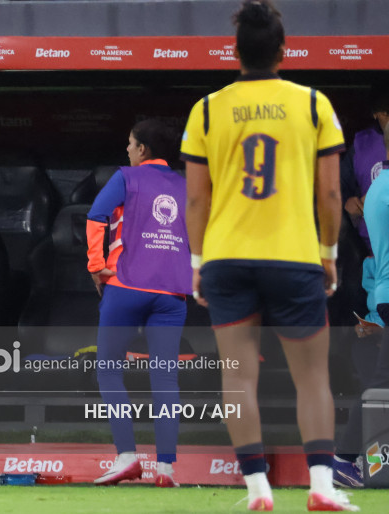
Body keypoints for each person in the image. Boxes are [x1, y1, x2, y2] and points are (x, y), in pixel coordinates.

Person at [182, 1, 357, 510]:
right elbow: (330, 196)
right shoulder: (312, 104)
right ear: (284, 50)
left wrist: (197, 263)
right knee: (313, 378)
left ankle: (258, 490)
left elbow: (197, 199)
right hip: (294, 256)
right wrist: (328, 254)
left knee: (237, 375)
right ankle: (321, 487)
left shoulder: (208, 109)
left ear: (235, 52)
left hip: (227, 257)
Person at [87, 119, 191, 488]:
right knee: (165, 379)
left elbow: (95, 216)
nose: (127, 150)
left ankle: (127, 458)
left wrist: (97, 267)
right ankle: (166, 470)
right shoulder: (186, 185)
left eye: (130, 144)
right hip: (173, 294)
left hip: (127, 286)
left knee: (109, 370)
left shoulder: (125, 177)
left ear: (143, 149)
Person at [334, 120, 389, 488]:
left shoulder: (379, 186)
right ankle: (346, 458)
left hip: (384, 294)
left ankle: (348, 458)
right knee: (384, 381)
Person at [340, 84, 389, 253]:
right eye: (386, 115)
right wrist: (348, 201)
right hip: (368, 245)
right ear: (376, 114)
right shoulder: (361, 143)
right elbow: (338, 185)